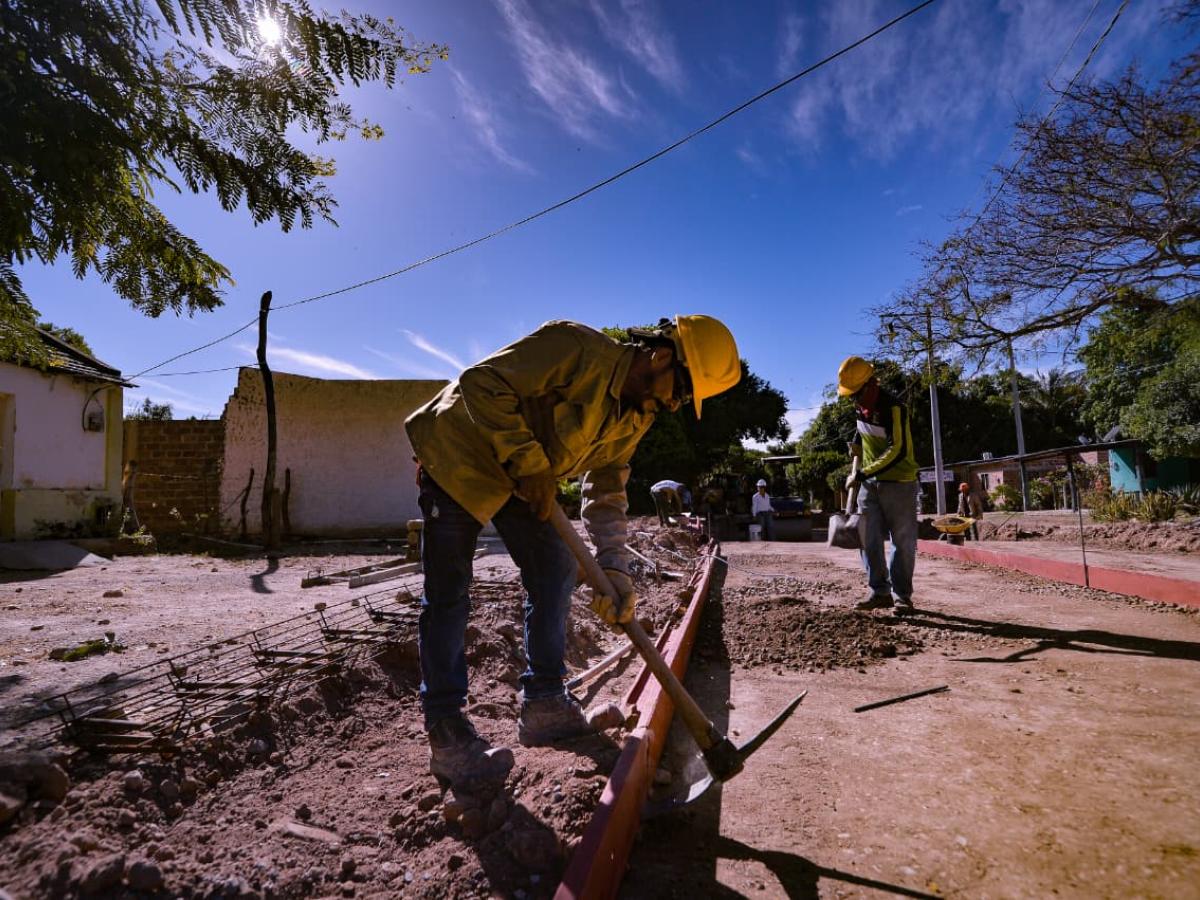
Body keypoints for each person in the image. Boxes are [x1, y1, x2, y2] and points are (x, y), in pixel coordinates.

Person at [405, 316, 741, 788]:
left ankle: (543, 702)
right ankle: (446, 730)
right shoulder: (575, 348)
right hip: (458, 451)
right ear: (662, 356)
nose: (673, 404)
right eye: (681, 391)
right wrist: (531, 463)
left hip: (518, 476)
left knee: (556, 568)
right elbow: (481, 383)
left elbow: (607, 487)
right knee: (450, 592)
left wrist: (614, 565)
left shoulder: (636, 416)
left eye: (683, 400)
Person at [837, 356, 919, 616]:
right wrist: (856, 444)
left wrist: (863, 473)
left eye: (856, 394)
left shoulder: (894, 408)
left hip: (899, 483)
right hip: (869, 484)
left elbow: (898, 449)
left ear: (870, 385)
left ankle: (901, 597)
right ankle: (879, 592)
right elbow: (863, 430)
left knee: (902, 542)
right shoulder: (860, 407)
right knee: (867, 538)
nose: (854, 399)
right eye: (851, 395)